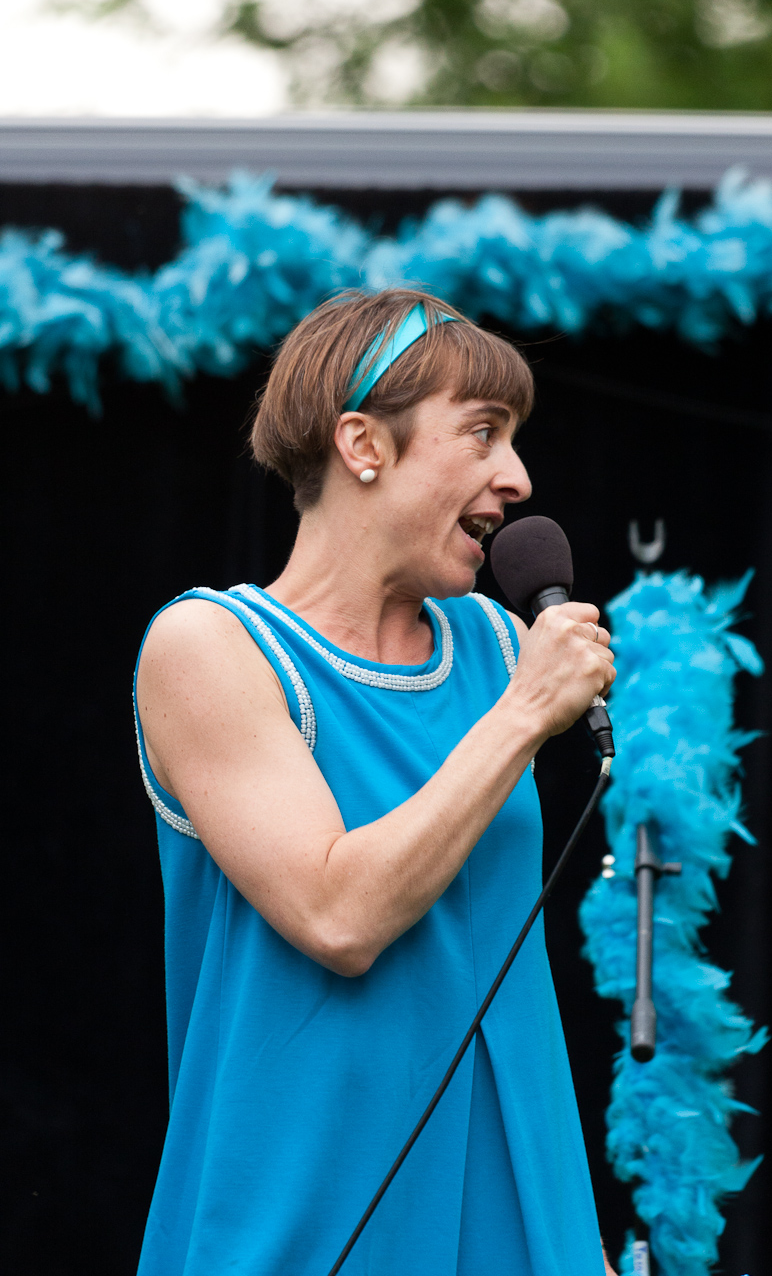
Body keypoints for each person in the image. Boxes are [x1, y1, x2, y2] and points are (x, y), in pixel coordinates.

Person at [133, 289, 617, 1276]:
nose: (517, 478)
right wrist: (523, 716)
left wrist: (575, 1237)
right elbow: (337, 916)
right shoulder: (212, 646)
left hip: (517, 1215)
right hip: (305, 1216)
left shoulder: (495, 643)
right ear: (362, 444)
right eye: (481, 432)